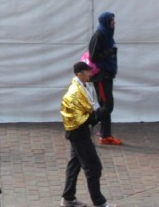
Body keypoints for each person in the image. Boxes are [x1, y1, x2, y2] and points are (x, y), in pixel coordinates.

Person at [61, 62, 111, 207]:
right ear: (79, 74)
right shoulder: (75, 92)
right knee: (93, 167)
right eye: (87, 71)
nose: (90, 74)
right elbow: (77, 118)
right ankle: (99, 202)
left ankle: (68, 198)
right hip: (79, 134)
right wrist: (96, 116)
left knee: (74, 165)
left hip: (78, 132)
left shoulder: (82, 87)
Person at [88, 11, 121, 145]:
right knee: (108, 106)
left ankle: (106, 135)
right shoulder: (99, 35)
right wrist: (110, 52)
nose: (114, 23)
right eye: (112, 21)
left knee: (105, 105)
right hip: (101, 76)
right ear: (106, 22)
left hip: (107, 74)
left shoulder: (107, 34)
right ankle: (88, 122)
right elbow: (93, 56)